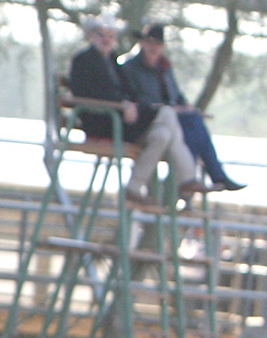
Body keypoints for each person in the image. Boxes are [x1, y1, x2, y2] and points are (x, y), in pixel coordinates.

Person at [70, 19, 201, 205]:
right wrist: (122, 104)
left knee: (162, 135)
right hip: (104, 120)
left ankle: (133, 187)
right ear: (92, 37)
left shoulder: (112, 61)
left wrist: (130, 103)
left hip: (121, 118)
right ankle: (187, 178)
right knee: (167, 113)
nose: (106, 40)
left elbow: (128, 91)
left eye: (111, 36)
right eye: (102, 35)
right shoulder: (83, 60)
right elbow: (86, 93)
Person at [122, 23, 243, 192]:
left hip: (168, 122)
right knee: (185, 125)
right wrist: (169, 107)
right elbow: (136, 101)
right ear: (142, 44)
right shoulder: (130, 68)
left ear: (162, 47)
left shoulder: (164, 68)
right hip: (147, 122)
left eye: (157, 44)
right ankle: (195, 182)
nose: (153, 48)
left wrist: (185, 105)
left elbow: (175, 95)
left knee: (192, 123)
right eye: (150, 43)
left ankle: (184, 189)